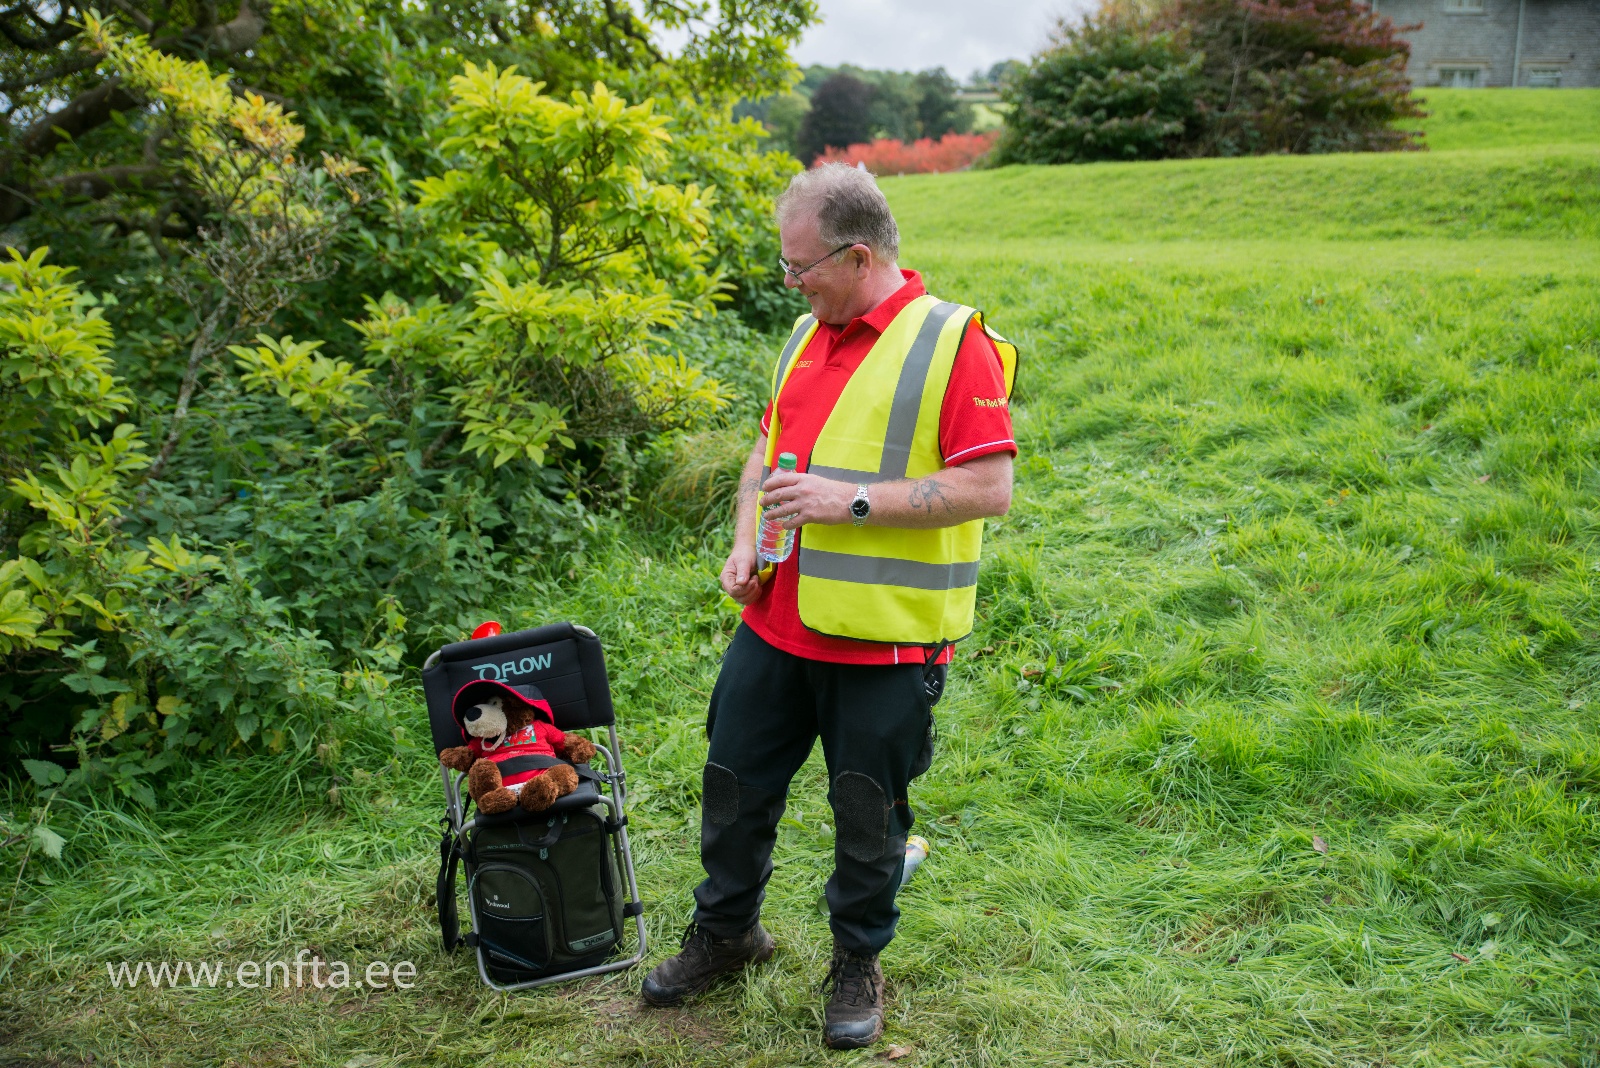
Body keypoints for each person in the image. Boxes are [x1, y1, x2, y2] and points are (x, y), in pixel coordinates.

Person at [639, 163, 1018, 1049]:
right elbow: (765, 454)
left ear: (857, 255)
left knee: (866, 814)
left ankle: (857, 959)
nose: (790, 283)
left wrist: (846, 502)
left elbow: (990, 487)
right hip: (774, 628)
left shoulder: (952, 341)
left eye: (799, 267)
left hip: (885, 644)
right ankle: (729, 935)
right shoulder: (807, 333)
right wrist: (743, 543)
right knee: (732, 788)